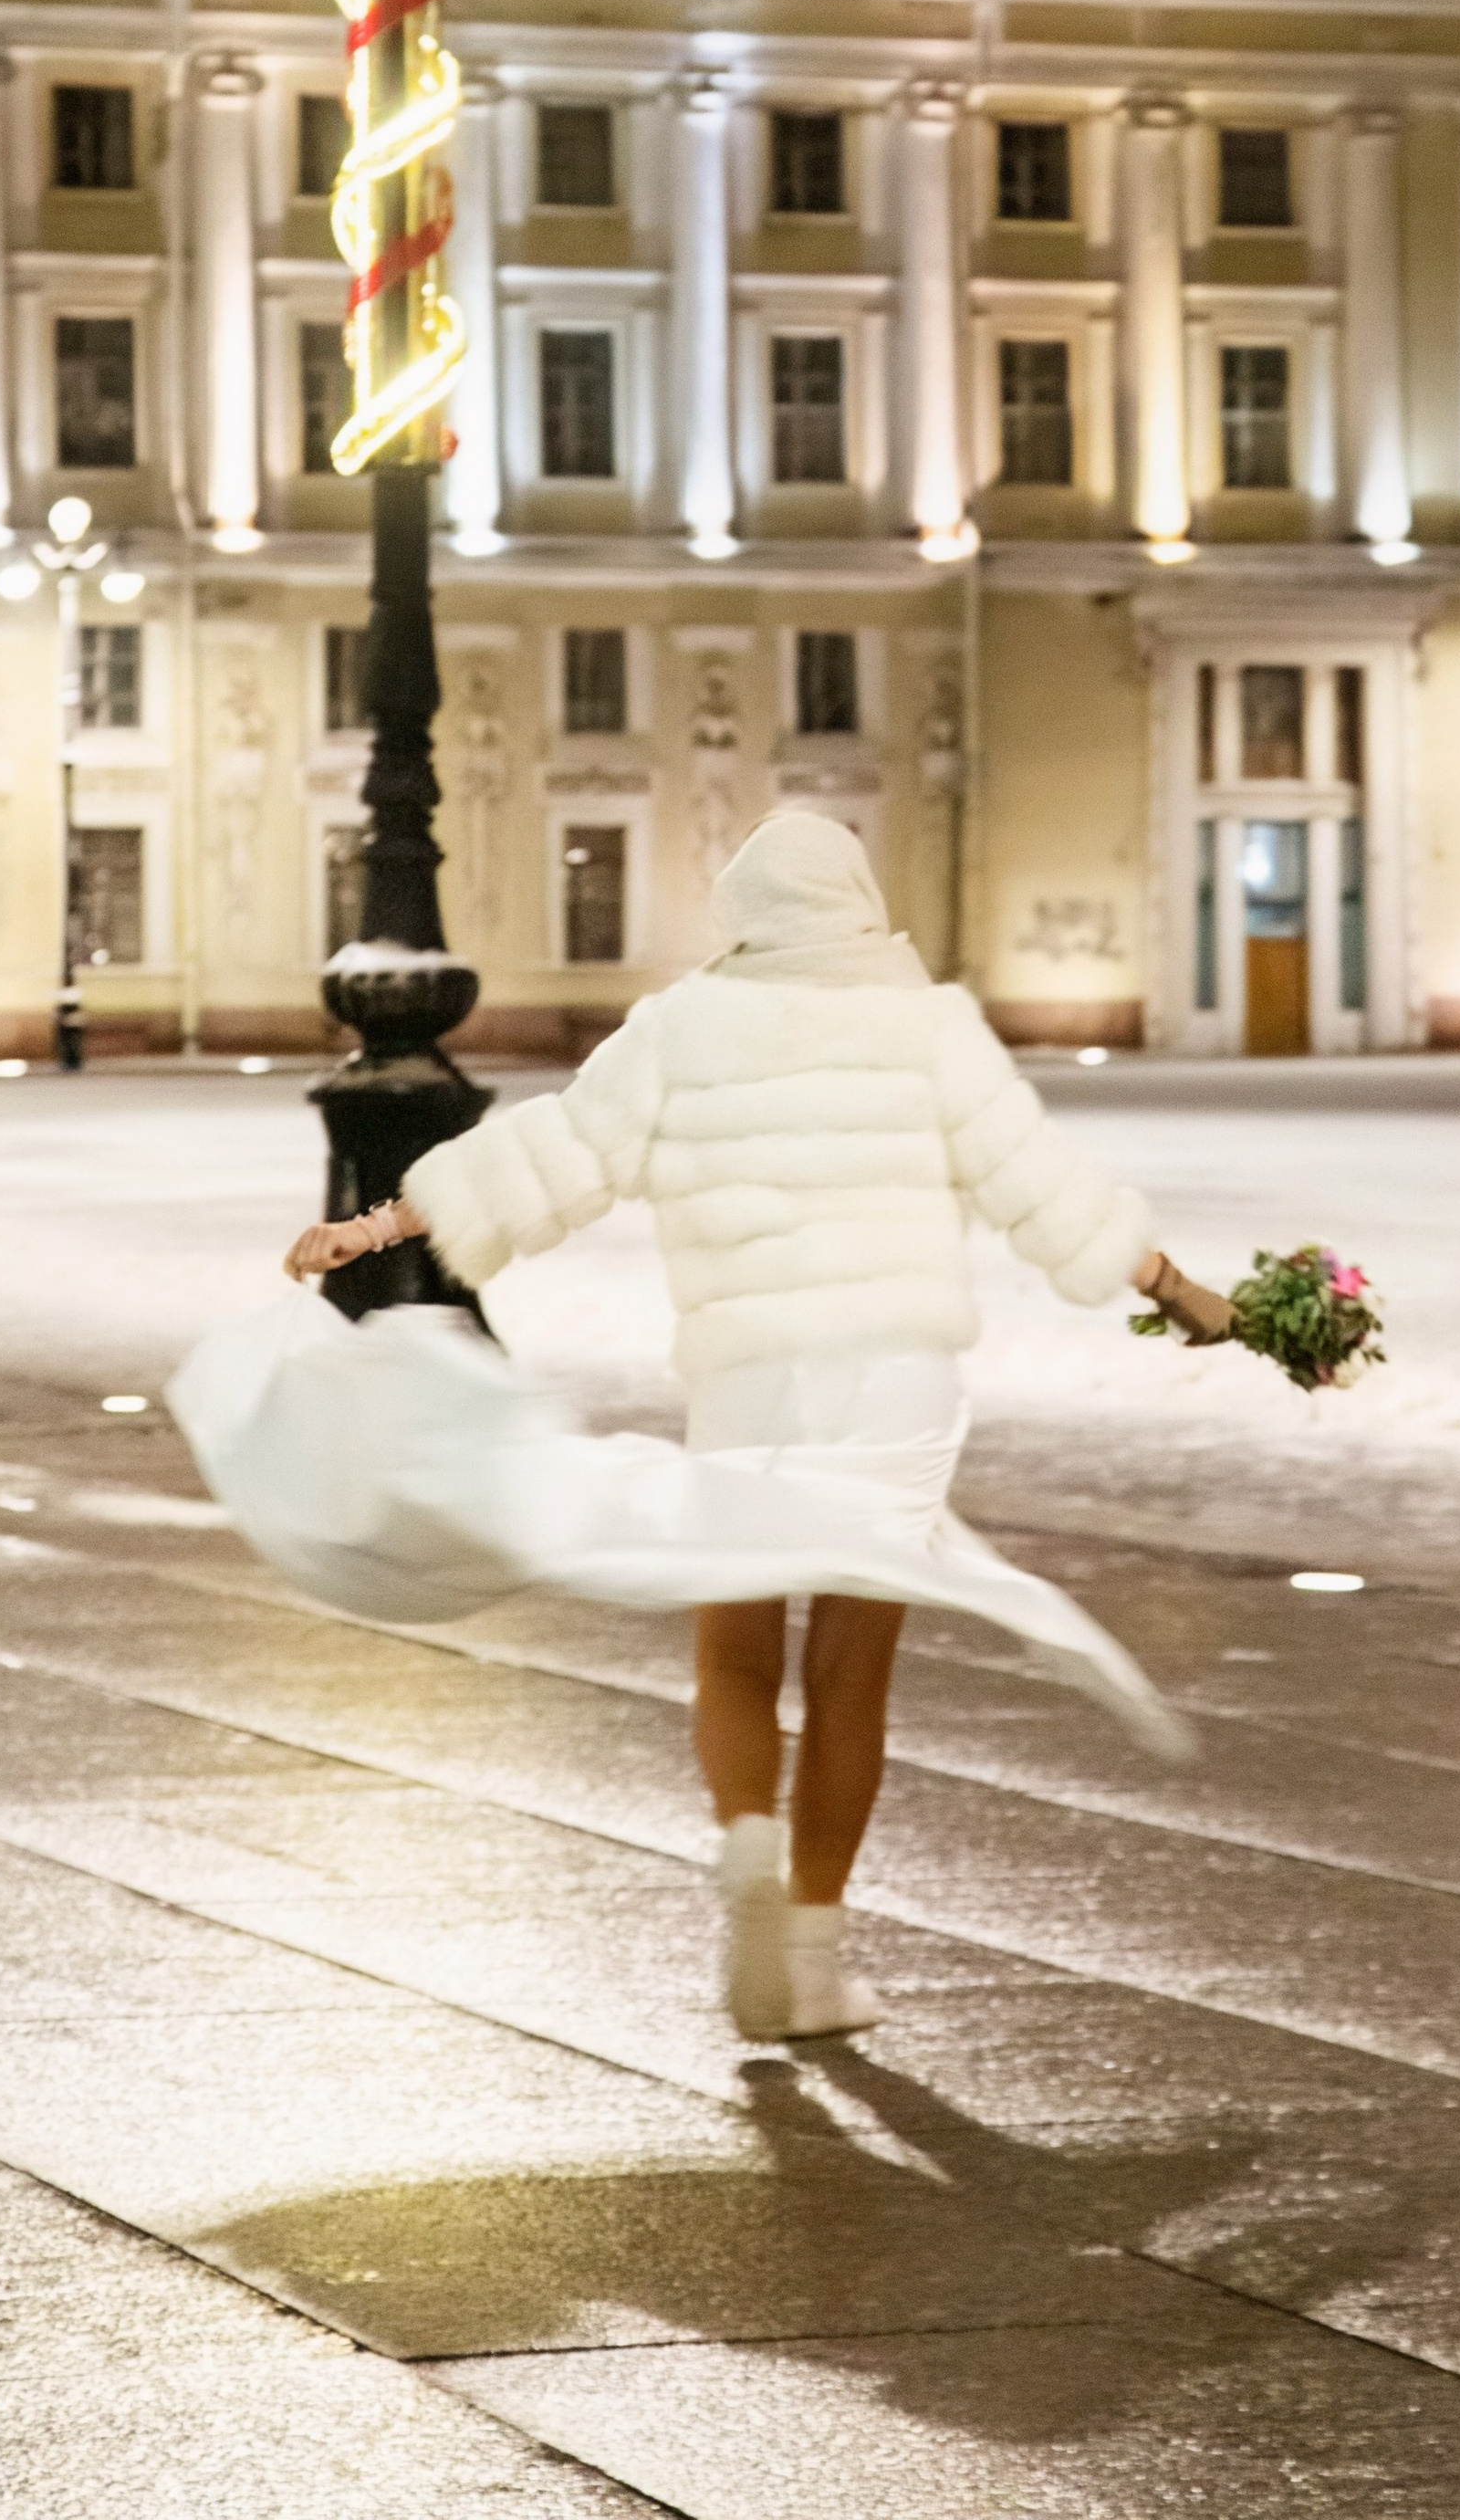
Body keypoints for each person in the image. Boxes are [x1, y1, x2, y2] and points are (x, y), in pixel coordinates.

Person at [242, 812, 1230, 2044]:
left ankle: (748, 1842)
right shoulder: (926, 1028)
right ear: (863, 908)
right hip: (896, 1387)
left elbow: (550, 1154)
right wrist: (1182, 1291)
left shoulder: (681, 1031)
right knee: (851, 1676)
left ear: (742, 917)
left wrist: (374, 1229)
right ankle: (812, 1960)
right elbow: (1042, 1185)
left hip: (753, 1380)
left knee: (739, 1654)